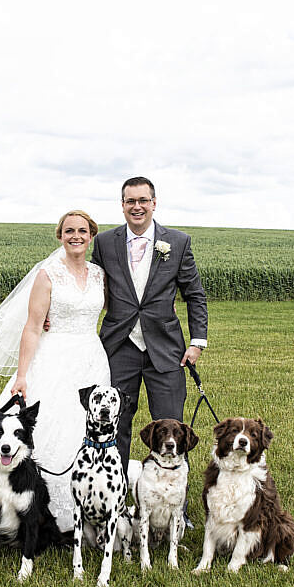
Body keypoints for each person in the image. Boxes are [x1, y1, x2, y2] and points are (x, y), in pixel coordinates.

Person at [0, 210, 110, 534]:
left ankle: (85, 509)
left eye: (82, 231)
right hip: (53, 358)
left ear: (91, 236)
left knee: (84, 428)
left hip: (91, 359)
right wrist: (21, 375)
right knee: (47, 424)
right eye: (68, 231)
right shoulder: (48, 274)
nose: (75, 236)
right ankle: (26, 508)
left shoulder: (99, 275)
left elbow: (116, 310)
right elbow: (33, 327)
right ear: (60, 236)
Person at [90, 176, 208, 477]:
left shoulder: (178, 242)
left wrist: (197, 342)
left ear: (154, 203)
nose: (137, 206)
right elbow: (90, 286)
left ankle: (173, 508)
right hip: (118, 347)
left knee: (171, 429)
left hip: (166, 349)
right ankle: (114, 502)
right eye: (131, 201)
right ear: (122, 205)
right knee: (115, 424)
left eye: (143, 200)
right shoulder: (104, 243)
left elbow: (194, 293)